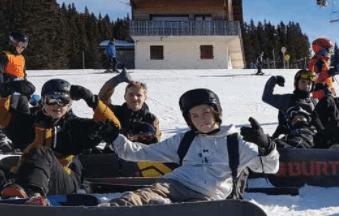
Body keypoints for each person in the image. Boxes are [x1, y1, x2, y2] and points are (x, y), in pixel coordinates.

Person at [97, 88, 279, 205]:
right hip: (175, 186)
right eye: (195, 116)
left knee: (190, 213)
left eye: (206, 112)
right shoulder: (184, 140)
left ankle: (165, 213)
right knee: (141, 197)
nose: (201, 119)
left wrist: (267, 146)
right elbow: (140, 152)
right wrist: (114, 138)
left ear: (216, 113)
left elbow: (270, 167)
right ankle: (107, 215)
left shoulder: (235, 142)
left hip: (209, 198)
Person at [0, 79, 120, 205]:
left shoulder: (77, 127)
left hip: (63, 180)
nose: (57, 105)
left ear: (69, 104)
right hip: (27, 175)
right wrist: (5, 91)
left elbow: (113, 127)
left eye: (63, 100)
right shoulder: (28, 123)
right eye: (52, 100)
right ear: (43, 101)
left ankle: (33, 197)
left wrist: (93, 101)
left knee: (41, 152)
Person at [262, 69, 339, 149]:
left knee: (338, 101)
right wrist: (274, 80)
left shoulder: (314, 101)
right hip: (301, 133)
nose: (306, 86)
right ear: (296, 83)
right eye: (302, 82)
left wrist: (327, 92)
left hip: (319, 133)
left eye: (309, 83)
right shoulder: (288, 99)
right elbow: (266, 97)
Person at [0, 30, 33, 153]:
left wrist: (27, 91)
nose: (22, 48)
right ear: (13, 42)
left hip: (21, 92)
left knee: (24, 114)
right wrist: (2, 90)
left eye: (25, 45)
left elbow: (23, 75)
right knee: (7, 115)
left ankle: (21, 141)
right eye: (20, 44)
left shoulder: (21, 58)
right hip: (9, 90)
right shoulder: (4, 56)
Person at [98, 69, 161, 145]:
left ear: (145, 98)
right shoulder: (116, 113)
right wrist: (115, 81)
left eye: (139, 95)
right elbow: (102, 101)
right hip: (115, 150)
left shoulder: (151, 119)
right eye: (131, 94)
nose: (135, 98)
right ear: (125, 97)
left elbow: (157, 145)